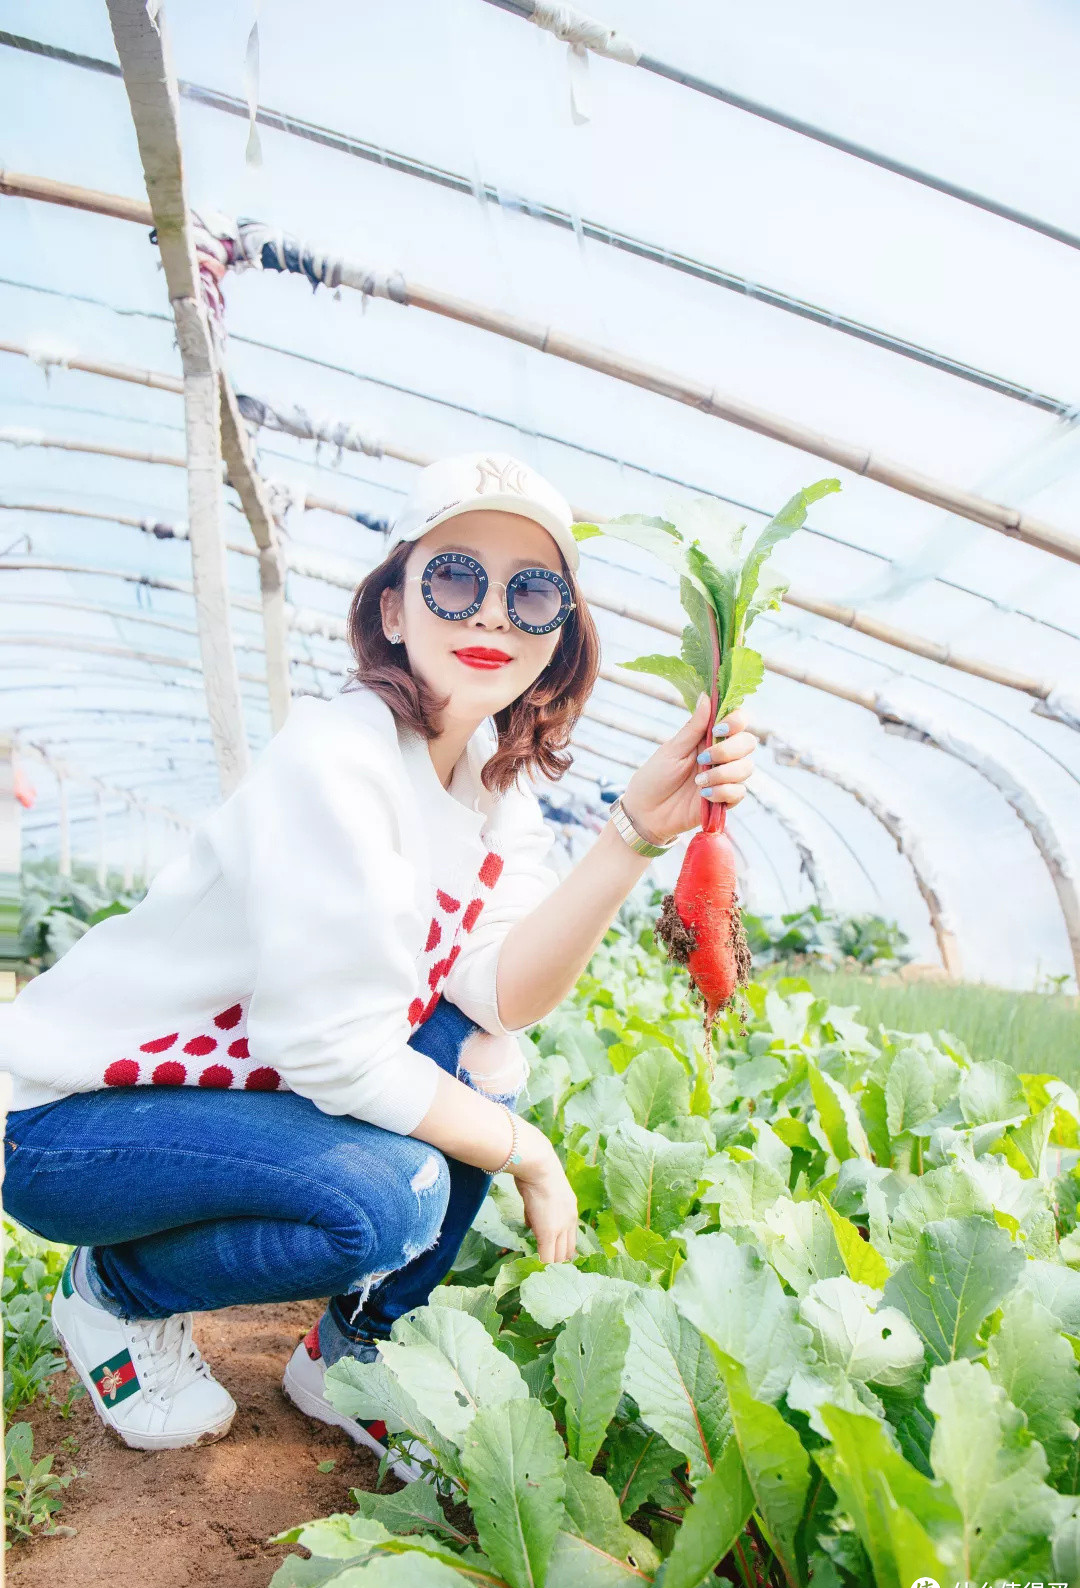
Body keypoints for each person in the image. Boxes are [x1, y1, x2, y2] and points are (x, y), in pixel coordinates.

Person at [0, 452, 757, 1471]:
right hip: (69, 1125)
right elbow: (330, 1048)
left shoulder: (499, 793)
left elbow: (501, 993)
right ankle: (114, 1294)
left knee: (484, 1057)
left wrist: (634, 833)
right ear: (394, 608)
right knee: (390, 1195)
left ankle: (353, 1353)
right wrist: (525, 1154)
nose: (491, 614)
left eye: (532, 593)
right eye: (455, 578)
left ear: (560, 633)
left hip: (213, 1098)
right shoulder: (341, 757)